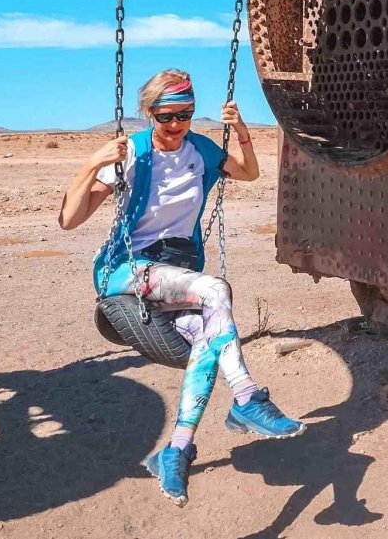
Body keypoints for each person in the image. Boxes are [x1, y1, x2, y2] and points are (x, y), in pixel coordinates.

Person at [59, 69, 303, 507]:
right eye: (167, 117)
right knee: (216, 290)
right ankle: (247, 398)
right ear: (149, 114)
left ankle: (175, 450)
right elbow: (69, 219)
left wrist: (242, 132)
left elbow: (248, 173)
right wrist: (91, 163)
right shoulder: (131, 154)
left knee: (208, 344)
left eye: (186, 116)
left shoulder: (201, 151)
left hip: (177, 271)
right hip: (126, 270)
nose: (175, 126)